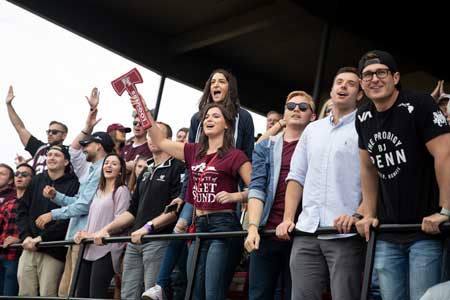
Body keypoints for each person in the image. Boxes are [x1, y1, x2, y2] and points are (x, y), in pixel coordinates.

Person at [143, 68, 255, 300]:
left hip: (223, 224)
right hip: (199, 222)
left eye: (216, 116)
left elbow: (256, 188)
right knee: (195, 292)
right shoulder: (194, 150)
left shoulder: (235, 153)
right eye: (206, 117)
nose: (208, 119)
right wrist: (143, 109)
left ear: (227, 125)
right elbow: (161, 140)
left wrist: (238, 197)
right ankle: (163, 286)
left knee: (213, 292)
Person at [355, 50, 450, 300]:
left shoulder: (419, 104)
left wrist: (445, 211)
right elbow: (367, 168)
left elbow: (445, 154)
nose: (374, 79)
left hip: (424, 229)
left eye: (381, 72)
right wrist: (369, 214)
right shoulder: (363, 116)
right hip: (387, 231)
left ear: (395, 77)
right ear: (362, 84)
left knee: (424, 297)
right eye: (367, 75)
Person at [275, 67, 365, 300]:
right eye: (339, 82)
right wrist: (288, 218)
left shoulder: (366, 127)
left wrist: (357, 215)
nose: (343, 86)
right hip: (306, 231)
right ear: (332, 90)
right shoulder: (312, 130)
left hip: (345, 233)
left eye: (351, 84)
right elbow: (296, 176)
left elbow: (373, 178)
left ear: (360, 94)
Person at [92, 122, 185, 300]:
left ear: (168, 139)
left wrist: (148, 227)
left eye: (155, 134)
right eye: (149, 134)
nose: (151, 138)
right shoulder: (146, 169)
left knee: (152, 294)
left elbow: (176, 209)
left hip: (158, 240)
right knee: (128, 294)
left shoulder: (178, 167)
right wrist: (106, 229)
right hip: (135, 241)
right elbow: (131, 211)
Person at [244, 91, 316, 299]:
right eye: (291, 106)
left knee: (296, 295)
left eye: (303, 107)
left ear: (312, 116)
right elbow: (257, 187)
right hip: (267, 231)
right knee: (259, 294)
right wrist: (253, 228)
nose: (296, 109)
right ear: (285, 113)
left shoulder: (317, 145)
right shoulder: (266, 146)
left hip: (303, 233)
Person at [16, 146, 79, 296]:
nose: (51, 158)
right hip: (29, 246)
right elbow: (22, 210)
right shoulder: (37, 180)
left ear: (66, 162)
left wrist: (42, 238)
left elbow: (70, 217)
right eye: (49, 154)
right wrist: (26, 237)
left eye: (57, 155)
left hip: (54, 250)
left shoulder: (74, 183)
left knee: (48, 294)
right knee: (25, 294)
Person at [72, 153, 130, 298]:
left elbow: (121, 221)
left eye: (114, 164)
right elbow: (93, 220)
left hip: (106, 248)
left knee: (96, 295)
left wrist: (93, 235)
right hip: (88, 248)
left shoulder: (122, 190)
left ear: (121, 171)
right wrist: (82, 233)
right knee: (81, 295)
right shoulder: (98, 191)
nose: (108, 165)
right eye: (106, 162)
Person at [5, 86, 69, 174]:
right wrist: (9, 105)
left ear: (64, 135)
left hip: (59, 186)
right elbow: (20, 128)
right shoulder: (40, 148)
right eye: (48, 132)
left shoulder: (70, 152)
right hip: (37, 186)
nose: (50, 134)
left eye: (54, 132)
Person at [0, 163, 27, 296]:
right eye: (17, 174)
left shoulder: (33, 201)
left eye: (24, 175)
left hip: (18, 254)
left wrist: (21, 238)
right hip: (2, 252)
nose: (20, 177)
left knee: (9, 293)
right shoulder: (8, 204)